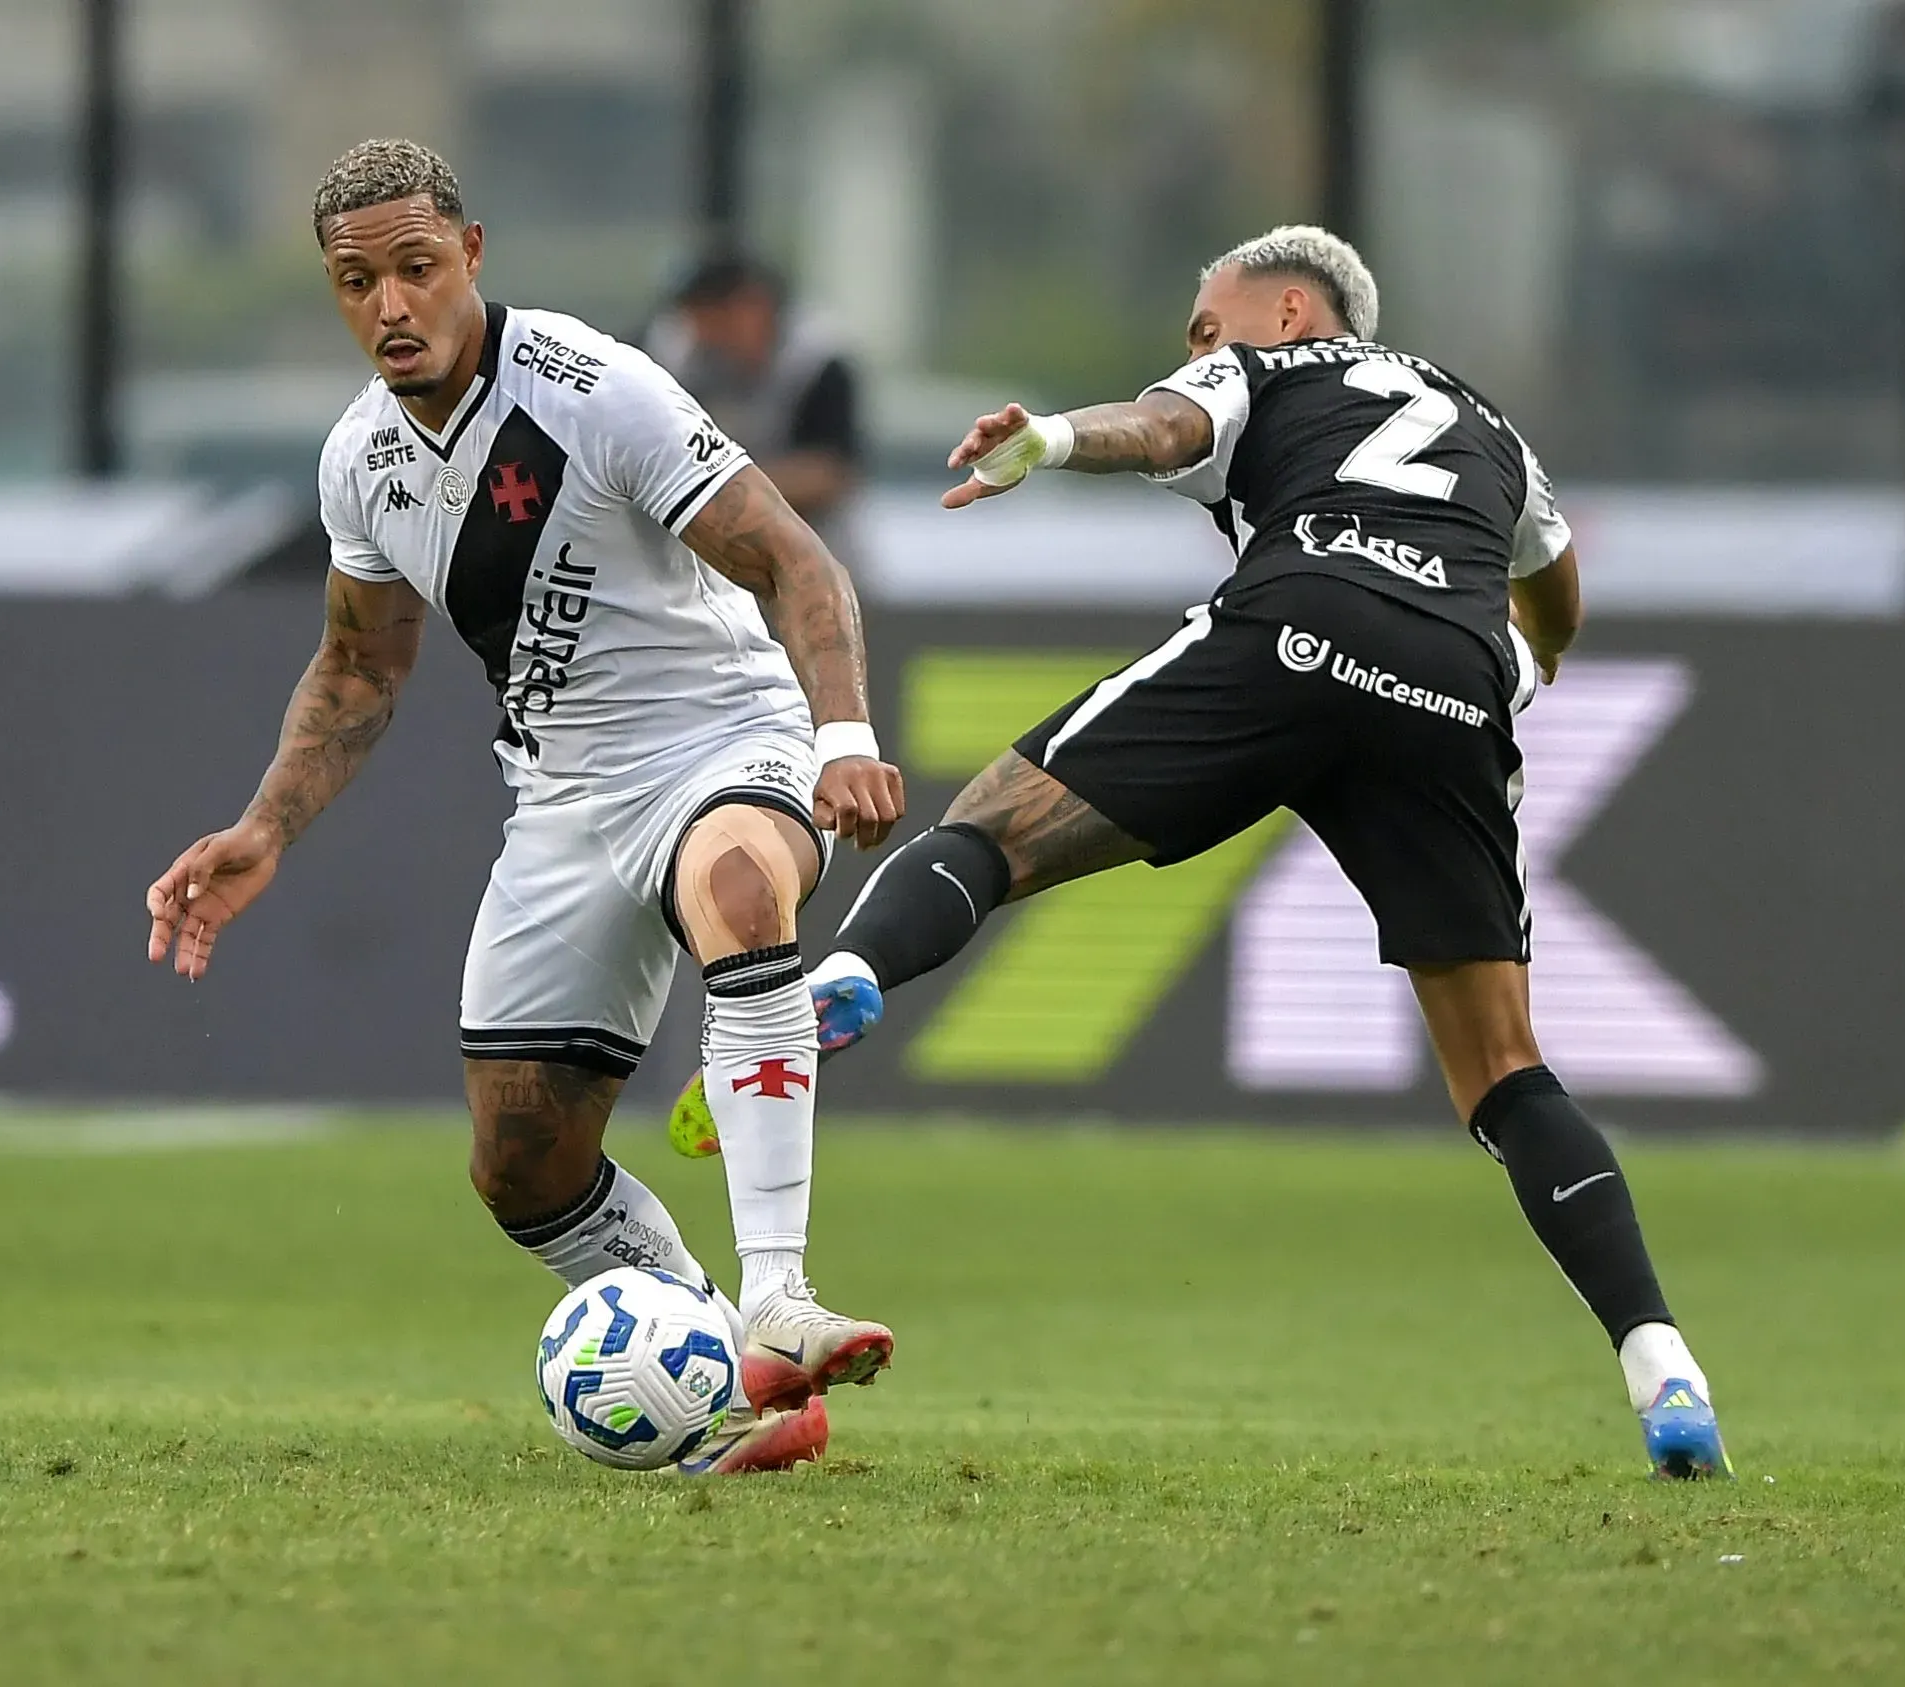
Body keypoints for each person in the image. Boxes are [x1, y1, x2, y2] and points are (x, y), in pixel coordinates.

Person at [698, 224, 1734, 1480]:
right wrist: (1529, 659)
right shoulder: (1490, 428)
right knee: (1508, 1072)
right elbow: (1554, 585)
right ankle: (1660, 1361)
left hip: (1293, 632)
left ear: (1293, 307)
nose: (1195, 345)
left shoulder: (1275, 369)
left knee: (989, 829)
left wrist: (1053, 442)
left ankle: (842, 980)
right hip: (1452, 694)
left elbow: (1162, 428)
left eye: (1210, 321)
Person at [143, 139, 907, 1476]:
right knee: (521, 1160)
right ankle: (731, 1382)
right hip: (561, 792)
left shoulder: (595, 390)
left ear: (473, 255)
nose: (390, 305)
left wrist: (842, 734)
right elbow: (361, 661)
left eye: (417, 268)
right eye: (355, 280)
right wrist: (267, 825)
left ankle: (779, 1291)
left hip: (723, 733)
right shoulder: (360, 464)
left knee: (738, 884)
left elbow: (795, 559)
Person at [647, 255, 864, 548]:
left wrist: (718, 484)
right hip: (697, 550)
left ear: (756, 305)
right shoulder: (668, 352)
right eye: (696, 313)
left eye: (718, 311)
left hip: (811, 541)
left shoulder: (815, 360)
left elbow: (831, 473)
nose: (705, 329)